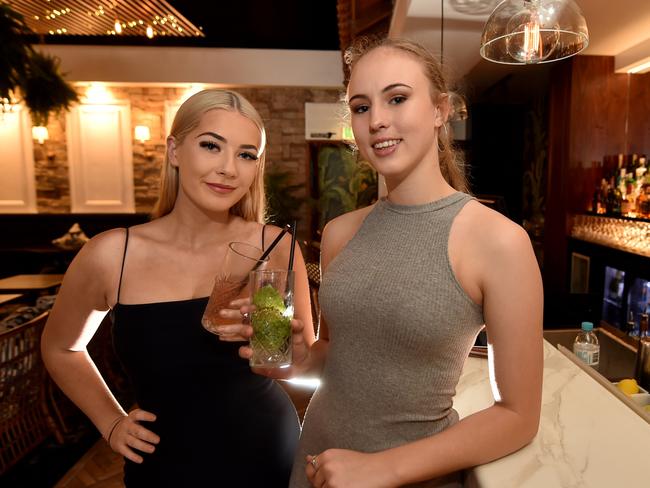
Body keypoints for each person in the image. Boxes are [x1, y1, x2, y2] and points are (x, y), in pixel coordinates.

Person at [238, 37, 543, 487]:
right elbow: (340, 358)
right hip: (315, 463)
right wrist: (295, 360)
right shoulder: (341, 232)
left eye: (397, 98)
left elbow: (518, 416)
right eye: (361, 108)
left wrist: (382, 468)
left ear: (440, 110)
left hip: (410, 478)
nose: (378, 120)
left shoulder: (499, 241)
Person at [41, 89, 314, 487]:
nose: (228, 169)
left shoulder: (272, 248)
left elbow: (285, 364)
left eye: (246, 154)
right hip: (162, 460)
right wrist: (112, 422)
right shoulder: (112, 254)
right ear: (174, 151)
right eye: (210, 146)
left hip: (265, 451)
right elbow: (60, 347)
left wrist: (295, 352)